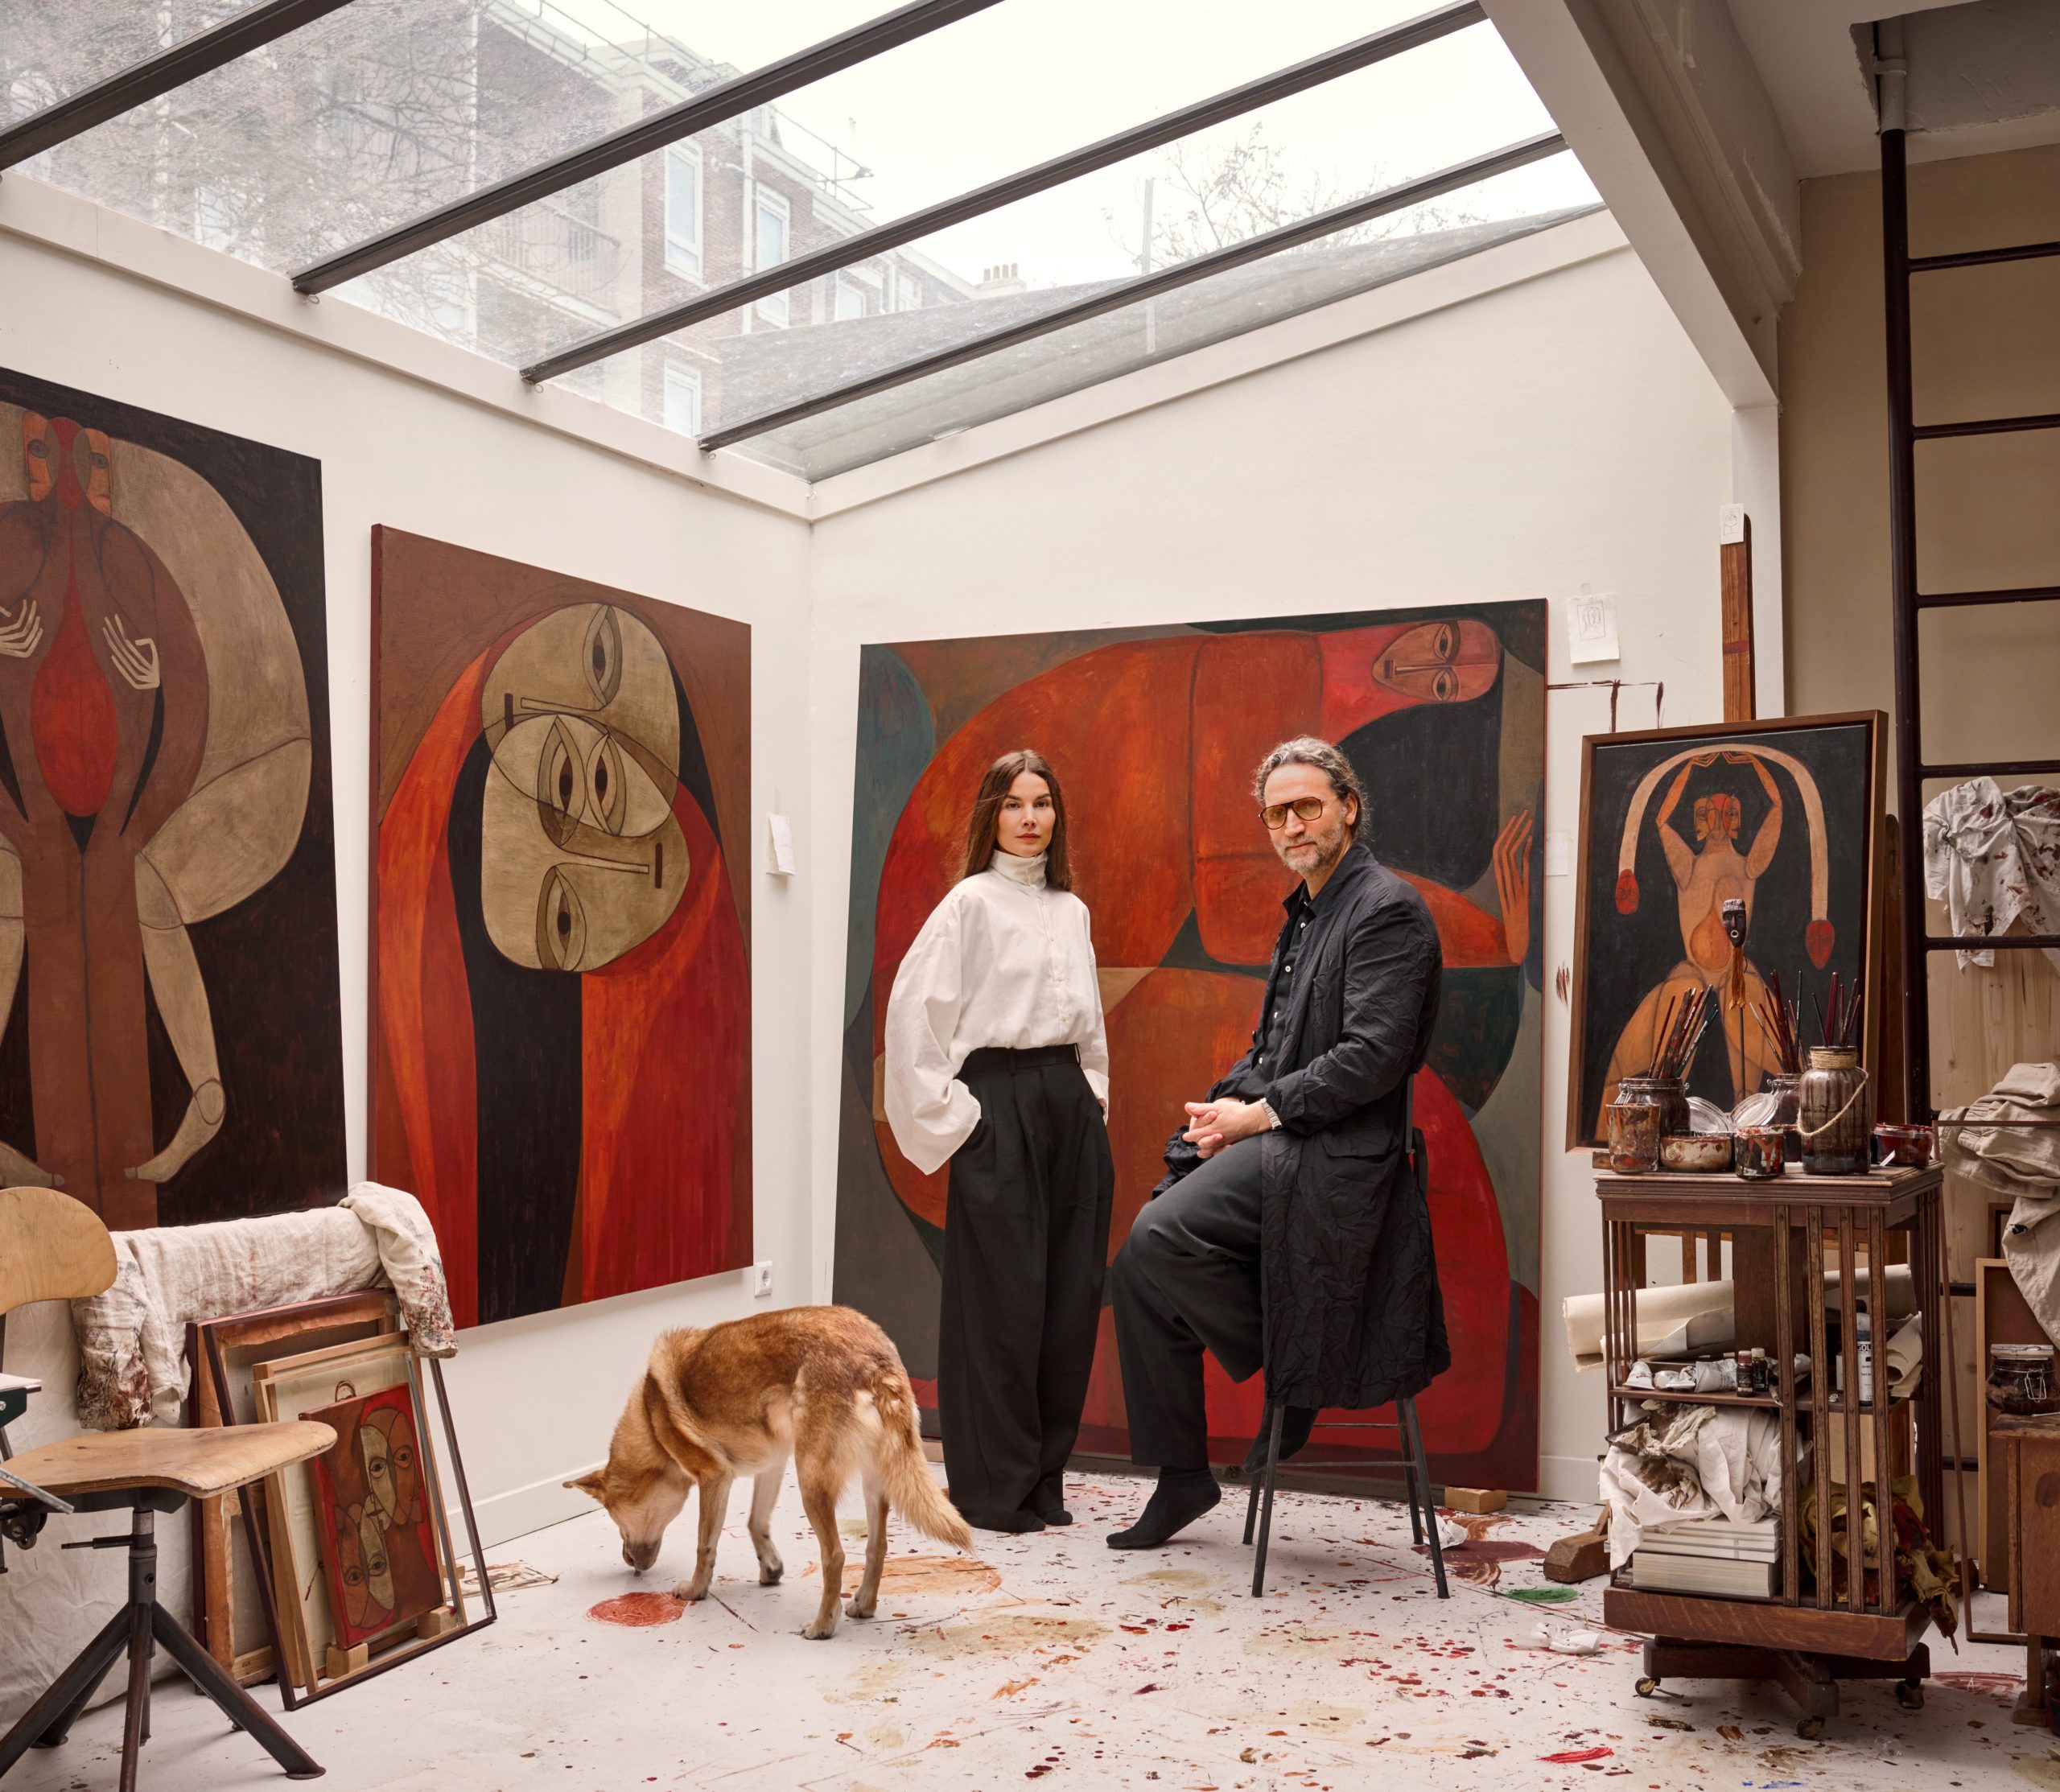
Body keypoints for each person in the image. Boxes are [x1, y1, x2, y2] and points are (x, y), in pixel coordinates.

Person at [1107, 735, 1448, 1550]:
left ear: (1347, 809)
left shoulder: (1386, 908)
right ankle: (1183, 1475)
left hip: (1344, 1157)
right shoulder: (1306, 911)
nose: (1292, 825)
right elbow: (1273, 1049)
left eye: (1307, 807)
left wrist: (1257, 1118)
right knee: (1136, 1269)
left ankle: (1299, 1367)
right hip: (1291, 1138)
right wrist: (1222, 1109)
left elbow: (1372, 1057)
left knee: (1159, 1235)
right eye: (1277, 813)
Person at [883, 748, 1114, 1533]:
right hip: (999, 1102)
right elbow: (914, 1015)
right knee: (1002, 1306)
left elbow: (1089, 1023)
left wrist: (1092, 1096)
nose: (1029, 817)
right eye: (1013, 803)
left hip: (1067, 1103)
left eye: (1041, 803)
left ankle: (1044, 1480)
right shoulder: (969, 904)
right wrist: (963, 1120)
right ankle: (992, 1487)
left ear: (1056, 815)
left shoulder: (1071, 910)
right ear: (991, 814)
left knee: (1068, 1302)